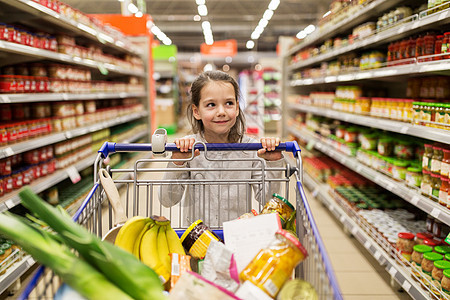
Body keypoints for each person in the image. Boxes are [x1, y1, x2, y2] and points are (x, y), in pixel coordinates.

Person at [159, 70, 285, 226]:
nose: (221, 112)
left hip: (236, 236)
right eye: (211, 105)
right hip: (197, 239)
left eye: (229, 103)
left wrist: (274, 163)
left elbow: (268, 200)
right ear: (196, 111)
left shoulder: (250, 148)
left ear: (237, 108)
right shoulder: (188, 148)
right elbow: (167, 200)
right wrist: (177, 162)